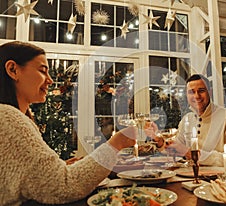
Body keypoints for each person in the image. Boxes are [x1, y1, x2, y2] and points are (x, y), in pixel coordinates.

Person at [0, 41, 136, 206]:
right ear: (13, 70)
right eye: (42, 71)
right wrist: (117, 143)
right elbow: (63, 186)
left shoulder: (13, 116)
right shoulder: (7, 118)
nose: (50, 80)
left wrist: (61, 166)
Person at [147, 74, 226, 166]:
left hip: (217, 180)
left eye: (201, 91)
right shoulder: (187, 119)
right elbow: (176, 148)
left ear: (210, 92)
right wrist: (157, 139)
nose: (196, 96)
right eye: (191, 92)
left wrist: (190, 153)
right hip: (188, 177)